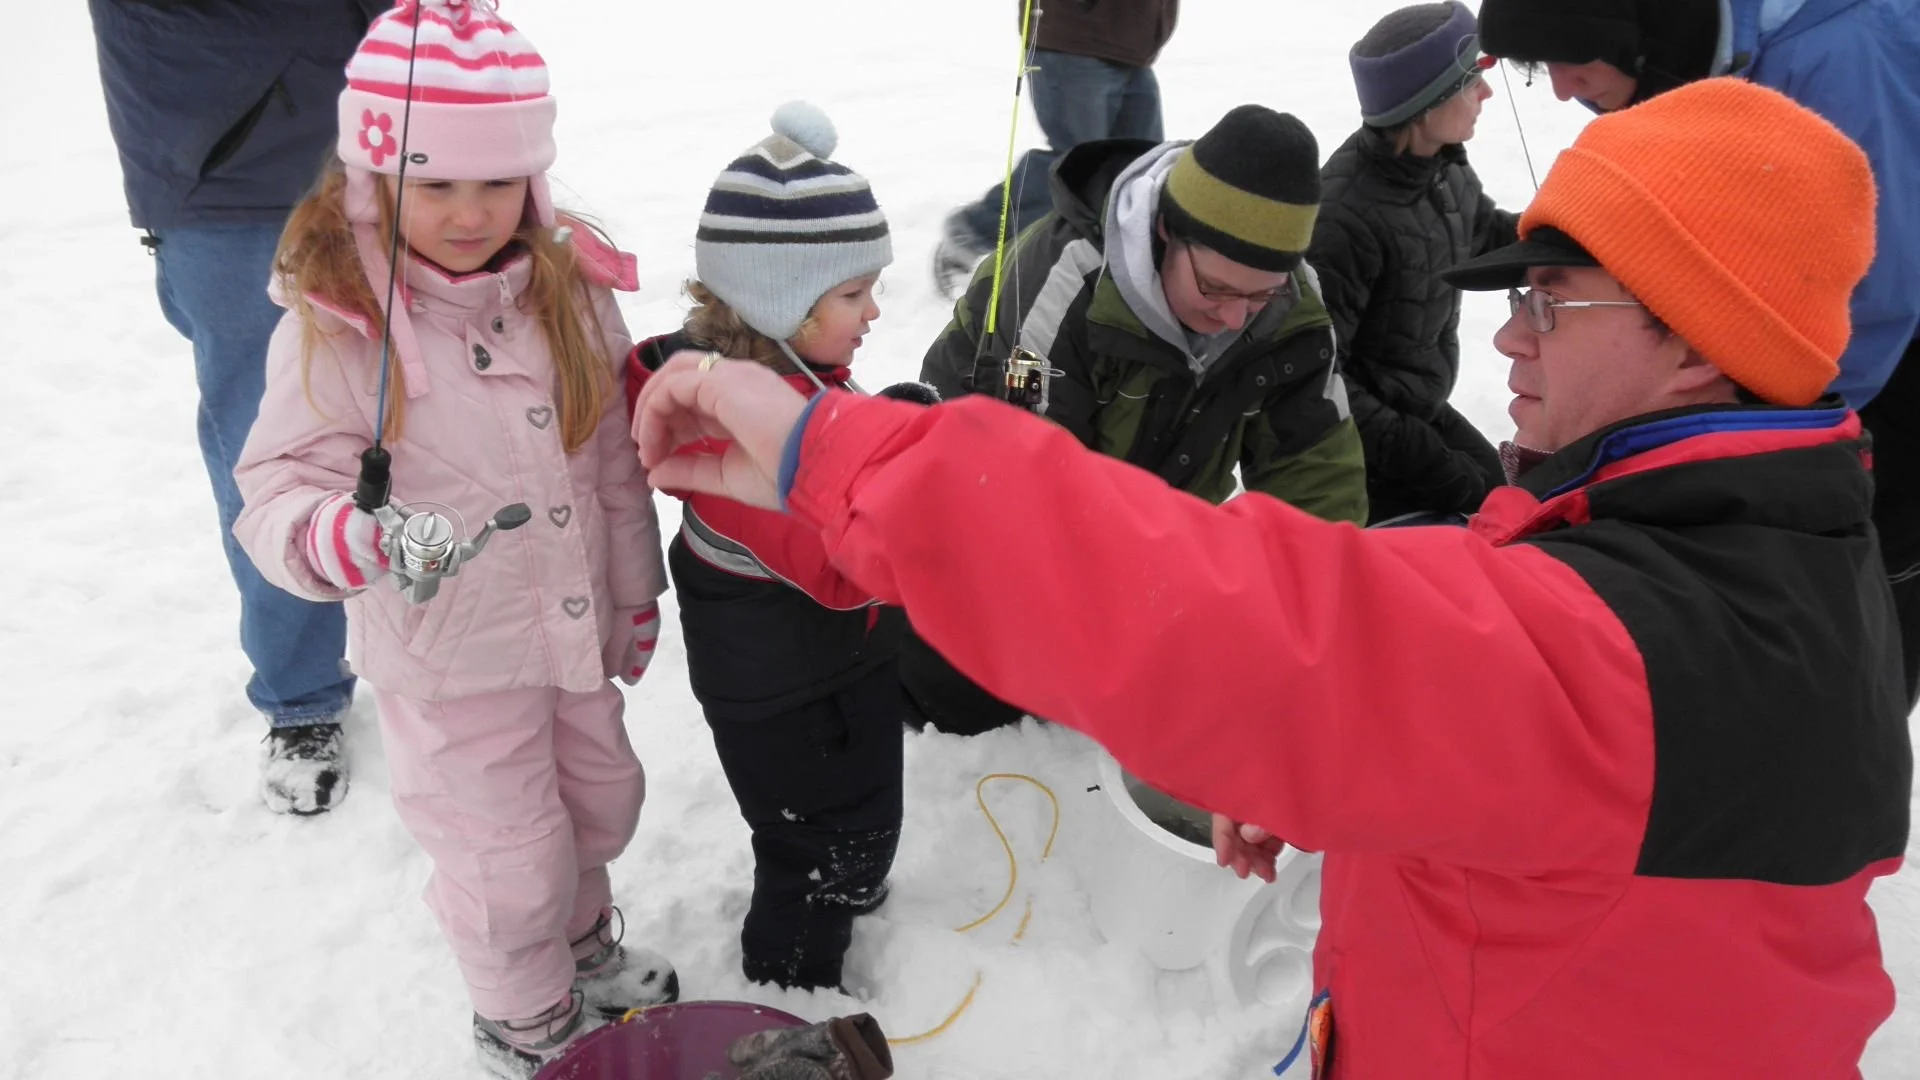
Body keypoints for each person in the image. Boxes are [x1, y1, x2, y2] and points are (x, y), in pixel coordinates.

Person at [631, 78, 1912, 1078]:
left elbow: (1279, 597)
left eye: (1552, 301)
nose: (1509, 335)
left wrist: (825, 447)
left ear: (1694, 335)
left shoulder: (1638, 642)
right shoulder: (1778, 560)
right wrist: (1338, 756)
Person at [230, 3, 676, 1074]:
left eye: (497, 181)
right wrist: (332, 534)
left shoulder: (565, 293)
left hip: (568, 633)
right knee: (501, 854)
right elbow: (275, 485)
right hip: (449, 659)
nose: (471, 212)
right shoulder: (338, 323)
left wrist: (634, 589)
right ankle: (521, 1015)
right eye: (436, 185)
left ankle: (579, 942)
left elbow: (611, 461)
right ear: (377, 178)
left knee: (593, 800)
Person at [1476, 0, 1920, 706]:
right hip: (1762, 389)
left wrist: (1755, 441)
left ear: (1623, 32)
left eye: (1567, 58)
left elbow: (1877, 298)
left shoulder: (1838, 57)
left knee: (1852, 631)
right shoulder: (1683, 62)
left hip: (1869, 385)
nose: (1559, 87)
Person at [910, 103, 1367, 735]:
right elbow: (1026, 489)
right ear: (1164, 237)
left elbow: (1315, 475)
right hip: (981, 482)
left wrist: (1299, 636)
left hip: (1146, 511)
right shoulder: (1061, 285)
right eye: (1217, 289)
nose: (1238, 317)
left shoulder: (1291, 308)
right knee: (976, 692)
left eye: (1260, 295)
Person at [625, 104, 912, 993]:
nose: (874, 310)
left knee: (867, 812)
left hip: (841, 664)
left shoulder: (795, 379)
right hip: (779, 690)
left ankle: (856, 882)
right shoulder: (738, 429)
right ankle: (790, 980)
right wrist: (917, 462)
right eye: (852, 294)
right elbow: (838, 567)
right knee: (810, 848)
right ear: (780, 302)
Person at [87, 0, 379, 815]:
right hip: (239, 160)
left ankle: (476, 655)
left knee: (468, 404)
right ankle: (303, 696)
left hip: (426, 130)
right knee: (270, 448)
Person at [1309, 2, 1517, 524]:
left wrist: (1570, 240)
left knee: (1515, 506)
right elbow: (1319, 380)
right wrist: (1426, 459)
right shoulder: (1342, 219)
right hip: (1366, 448)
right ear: (1426, 101)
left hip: (1418, 410)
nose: (1487, 93)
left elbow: (1483, 234)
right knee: (1488, 526)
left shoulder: (1438, 164)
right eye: (1475, 79)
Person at [932, 0, 1179, 297]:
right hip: (1072, 40)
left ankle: (1115, 268)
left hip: (1131, 43)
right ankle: (973, 232)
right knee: (1076, 166)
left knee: (1140, 166)